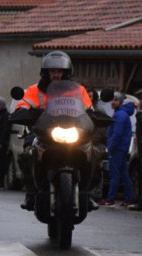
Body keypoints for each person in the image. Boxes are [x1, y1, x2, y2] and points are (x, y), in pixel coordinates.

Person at [15, 51, 94, 210]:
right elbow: (21, 106)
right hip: (43, 131)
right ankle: (31, 192)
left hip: (73, 130)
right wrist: (25, 112)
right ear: (46, 72)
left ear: (66, 73)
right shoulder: (33, 90)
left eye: (59, 71)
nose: (56, 74)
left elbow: (88, 108)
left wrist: (95, 114)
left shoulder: (78, 90)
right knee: (27, 153)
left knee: (94, 151)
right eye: (52, 71)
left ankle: (87, 193)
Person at [101, 92, 135, 206]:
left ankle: (110, 199)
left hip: (117, 149)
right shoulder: (123, 114)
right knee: (124, 174)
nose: (113, 102)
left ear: (120, 102)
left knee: (114, 175)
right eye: (113, 100)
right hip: (122, 148)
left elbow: (117, 134)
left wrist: (110, 147)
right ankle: (129, 198)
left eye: (115, 100)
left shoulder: (119, 115)